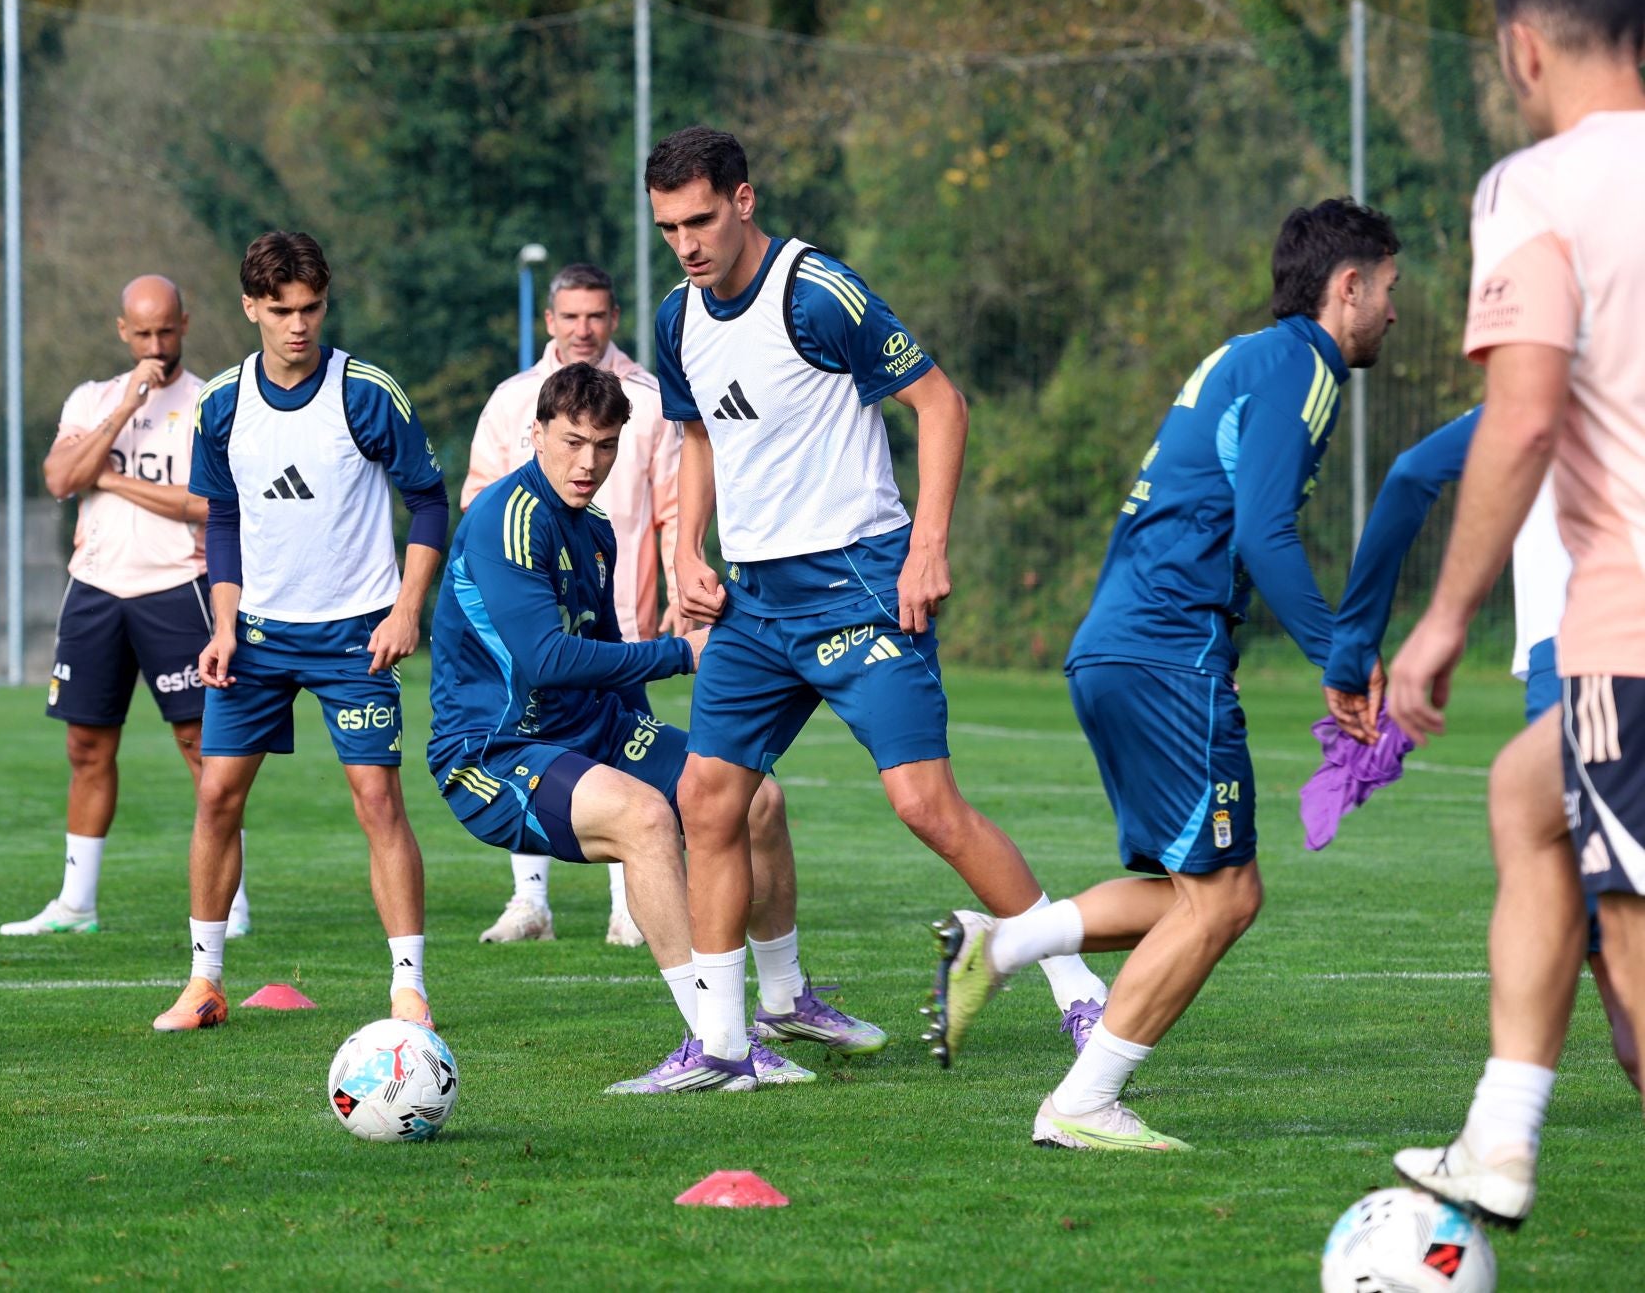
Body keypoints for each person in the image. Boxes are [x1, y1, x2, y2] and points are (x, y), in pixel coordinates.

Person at [643, 125, 1109, 1081]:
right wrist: (688, 546)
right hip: (755, 604)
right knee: (706, 797)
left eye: (698, 220)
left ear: (743, 200)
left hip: (856, 579)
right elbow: (696, 437)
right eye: (666, 228)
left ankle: (1085, 998)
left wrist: (926, 546)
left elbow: (942, 404)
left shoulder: (816, 291)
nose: (686, 244)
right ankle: (727, 1046)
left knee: (924, 805)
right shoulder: (673, 318)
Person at [938, 198, 1402, 1150]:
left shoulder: (1245, 356)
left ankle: (1007, 940)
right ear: (1345, 287)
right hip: (1167, 655)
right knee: (1227, 898)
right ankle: (1081, 1105)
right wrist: (1342, 658)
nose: (1394, 312)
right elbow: (1265, 532)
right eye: (1389, 290)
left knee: (1192, 894)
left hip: (1119, 647)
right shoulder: (1305, 367)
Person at [1385, 0, 1645, 1226]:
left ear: (1523, 48)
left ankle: (1502, 1143)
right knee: (1523, 796)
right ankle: (1501, 1135)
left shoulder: (1538, 186)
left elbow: (1525, 416)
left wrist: (1439, 621)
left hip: (1634, 628)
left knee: (1642, 969)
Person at [430, 360, 886, 1092]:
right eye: (574, 440)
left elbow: (609, 652)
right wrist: (682, 651)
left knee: (752, 797)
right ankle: (713, 1044)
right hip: (496, 748)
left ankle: (781, 1001)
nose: (589, 462)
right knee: (645, 817)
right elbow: (545, 658)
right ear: (537, 431)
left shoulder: (597, 530)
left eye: (606, 445)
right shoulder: (506, 519)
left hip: (596, 727)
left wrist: (660, 737)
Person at [151, 232, 448, 1032]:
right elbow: (224, 522)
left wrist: (405, 607)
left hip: (355, 634)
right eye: (280, 309)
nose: (297, 325)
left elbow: (427, 500)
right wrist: (221, 626)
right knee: (216, 795)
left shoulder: (366, 392)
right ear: (251, 307)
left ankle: (408, 987)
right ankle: (204, 981)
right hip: (254, 637)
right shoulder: (221, 404)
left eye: (310, 308)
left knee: (377, 799)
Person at [1323, 412, 1637, 1114]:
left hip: (1594, 655)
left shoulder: (1560, 376)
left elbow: (1413, 473)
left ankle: (1501, 1135)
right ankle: (1500, 1135)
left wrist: (1361, 641)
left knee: (1615, 961)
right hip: (1596, 653)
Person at [3, 275, 252, 940]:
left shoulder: (209, 402)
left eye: (166, 331)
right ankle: (76, 902)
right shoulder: (92, 399)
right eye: (142, 333)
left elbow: (210, 505)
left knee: (204, 746)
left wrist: (109, 476)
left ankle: (233, 898)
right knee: (86, 746)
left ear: (185, 324)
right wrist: (124, 409)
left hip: (179, 588)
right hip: (94, 590)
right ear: (122, 331)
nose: (155, 344)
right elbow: (59, 477)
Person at [461, 263, 681, 948]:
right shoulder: (513, 399)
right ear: (550, 321)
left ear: (612, 319)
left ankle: (630, 906)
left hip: (621, 606)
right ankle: (530, 901)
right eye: (571, 316)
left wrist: (680, 597)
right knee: (538, 729)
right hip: (529, 620)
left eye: (596, 316)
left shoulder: (648, 397)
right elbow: (477, 496)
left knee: (661, 764)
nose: (583, 328)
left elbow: (674, 506)